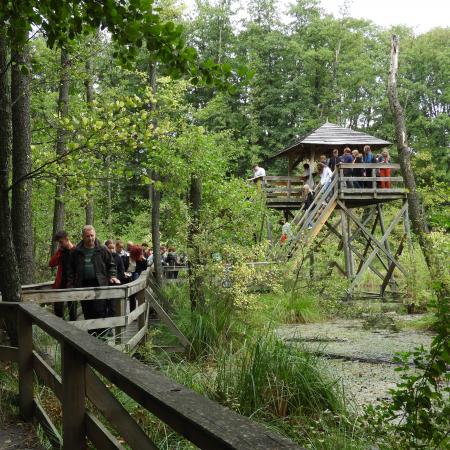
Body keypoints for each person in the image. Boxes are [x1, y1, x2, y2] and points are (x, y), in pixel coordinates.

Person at [67, 226, 120, 333]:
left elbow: (112, 265)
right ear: (82, 237)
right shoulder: (77, 251)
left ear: (95, 235)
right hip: (83, 285)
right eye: (87, 236)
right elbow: (70, 269)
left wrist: (113, 276)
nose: (90, 238)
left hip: (100, 284)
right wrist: (71, 283)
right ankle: (91, 339)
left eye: (92, 236)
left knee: (100, 311)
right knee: (87, 312)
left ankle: (102, 338)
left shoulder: (102, 249)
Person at [49, 230, 76, 321]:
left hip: (72, 284)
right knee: (58, 308)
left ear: (67, 239)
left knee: (72, 310)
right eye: (59, 242)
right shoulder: (61, 252)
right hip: (61, 284)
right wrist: (59, 253)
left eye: (61, 242)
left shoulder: (76, 251)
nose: (60, 244)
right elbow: (51, 263)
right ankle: (61, 328)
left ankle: (73, 331)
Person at [128, 245, 148, 311]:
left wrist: (144, 259)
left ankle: (141, 311)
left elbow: (145, 268)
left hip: (139, 278)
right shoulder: (128, 259)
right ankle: (133, 311)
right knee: (132, 297)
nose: (141, 254)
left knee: (140, 296)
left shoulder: (142, 260)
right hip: (130, 278)